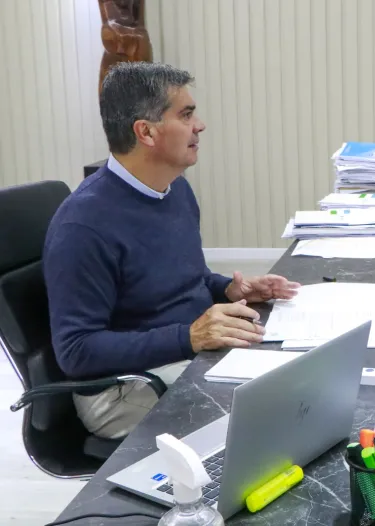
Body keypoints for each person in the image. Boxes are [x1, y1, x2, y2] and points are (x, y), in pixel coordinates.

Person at [43, 62, 300, 439]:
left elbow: (184, 279)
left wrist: (228, 289)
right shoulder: (82, 227)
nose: (200, 125)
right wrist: (189, 337)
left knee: (296, 376)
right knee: (276, 411)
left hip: (183, 355)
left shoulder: (175, 188)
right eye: (186, 115)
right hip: (120, 389)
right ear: (146, 131)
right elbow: (76, 351)